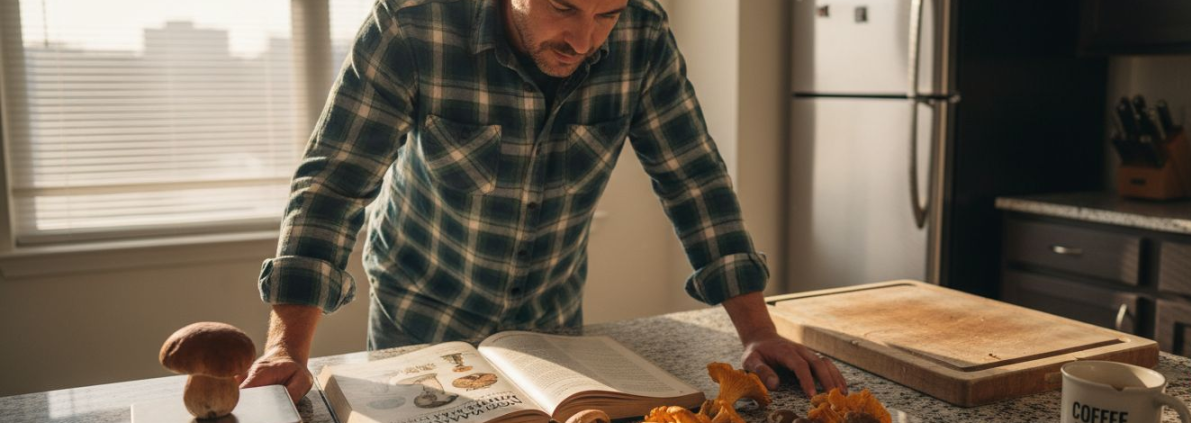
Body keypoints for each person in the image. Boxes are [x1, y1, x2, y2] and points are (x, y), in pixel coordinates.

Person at [241, 0, 848, 403]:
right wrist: (285, 350)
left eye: (605, 12)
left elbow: (696, 181)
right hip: (419, 311)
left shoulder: (643, 35)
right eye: (563, 7)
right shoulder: (411, 26)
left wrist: (758, 330)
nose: (584, 40)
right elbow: (333, 185)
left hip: (551, 320)